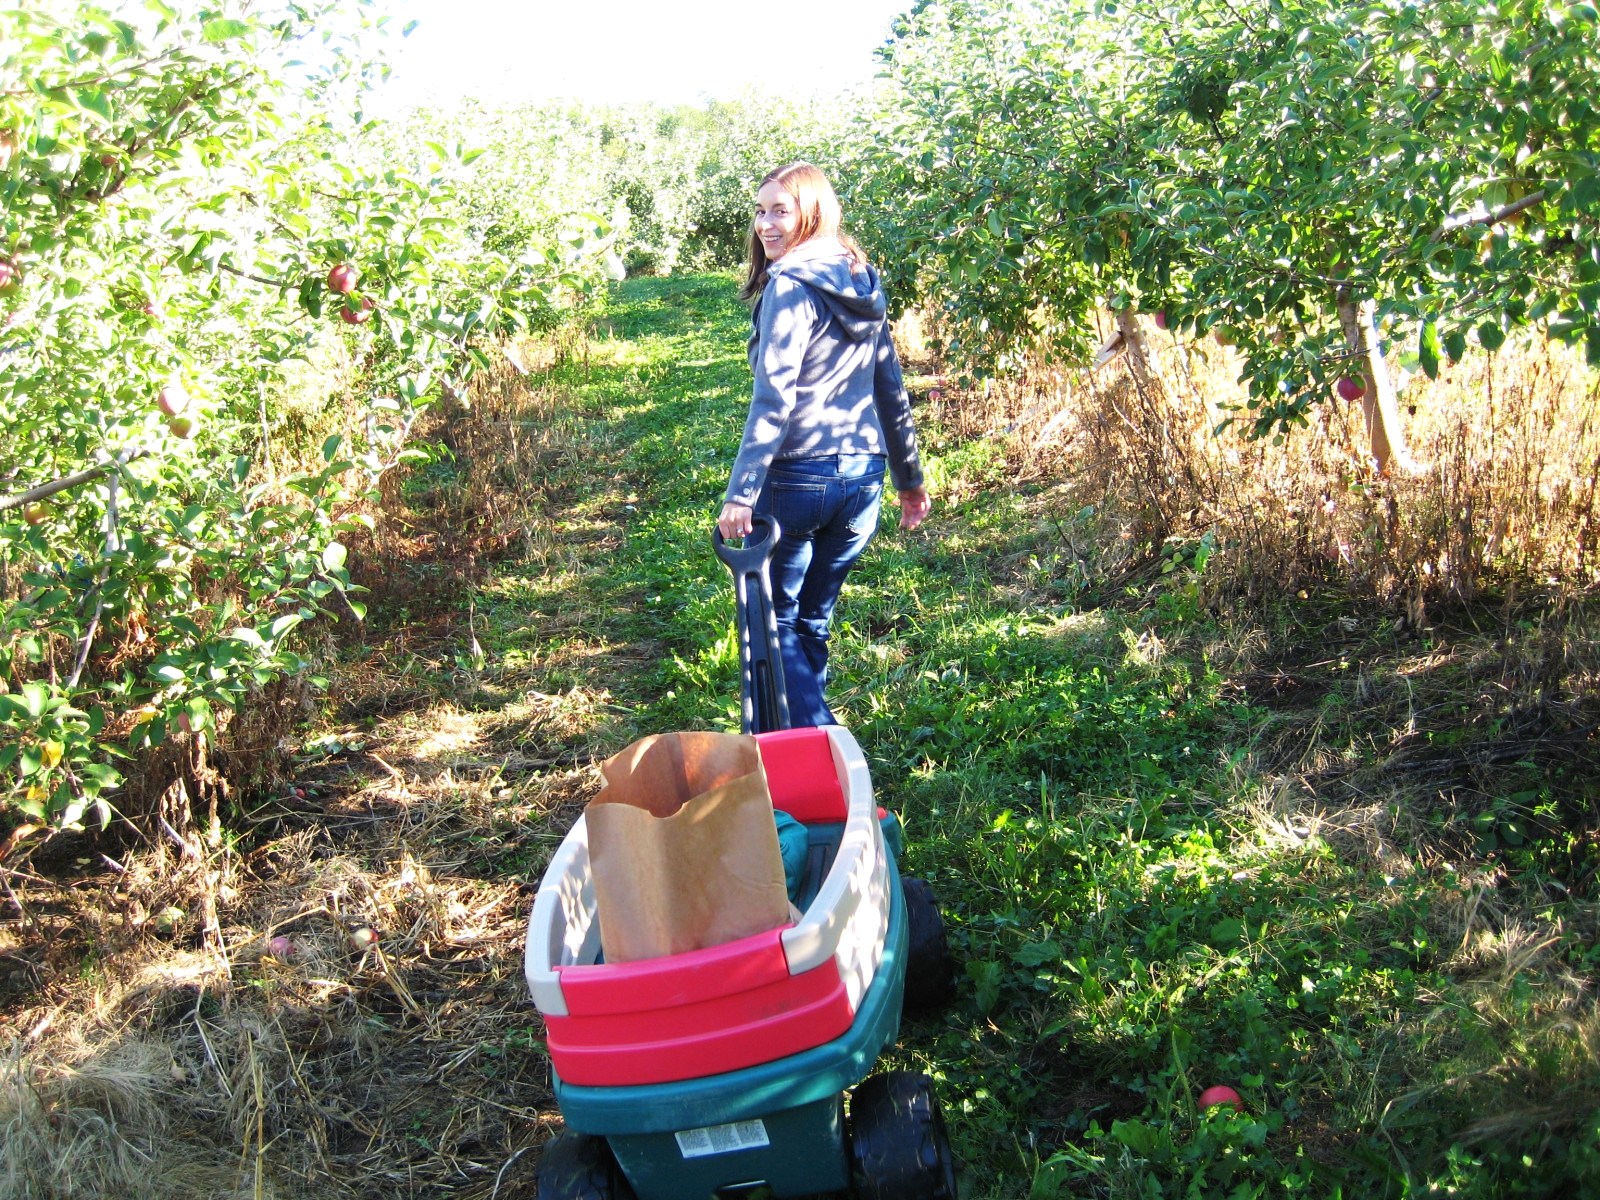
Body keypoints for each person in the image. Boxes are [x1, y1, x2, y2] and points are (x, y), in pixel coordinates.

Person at [717, 161, 931, 727]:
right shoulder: (861, 280)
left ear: (811, 213)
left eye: (780, 211)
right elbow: (889, 384)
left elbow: (774, 399)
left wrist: (741, 493)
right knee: (810, 621)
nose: (765, 224)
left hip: (798, 476)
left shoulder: (790, 286)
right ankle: (800, 748)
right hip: (862, 477)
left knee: (775, 621)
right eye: (760, 211)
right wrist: (908, 479)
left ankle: (824, 745)